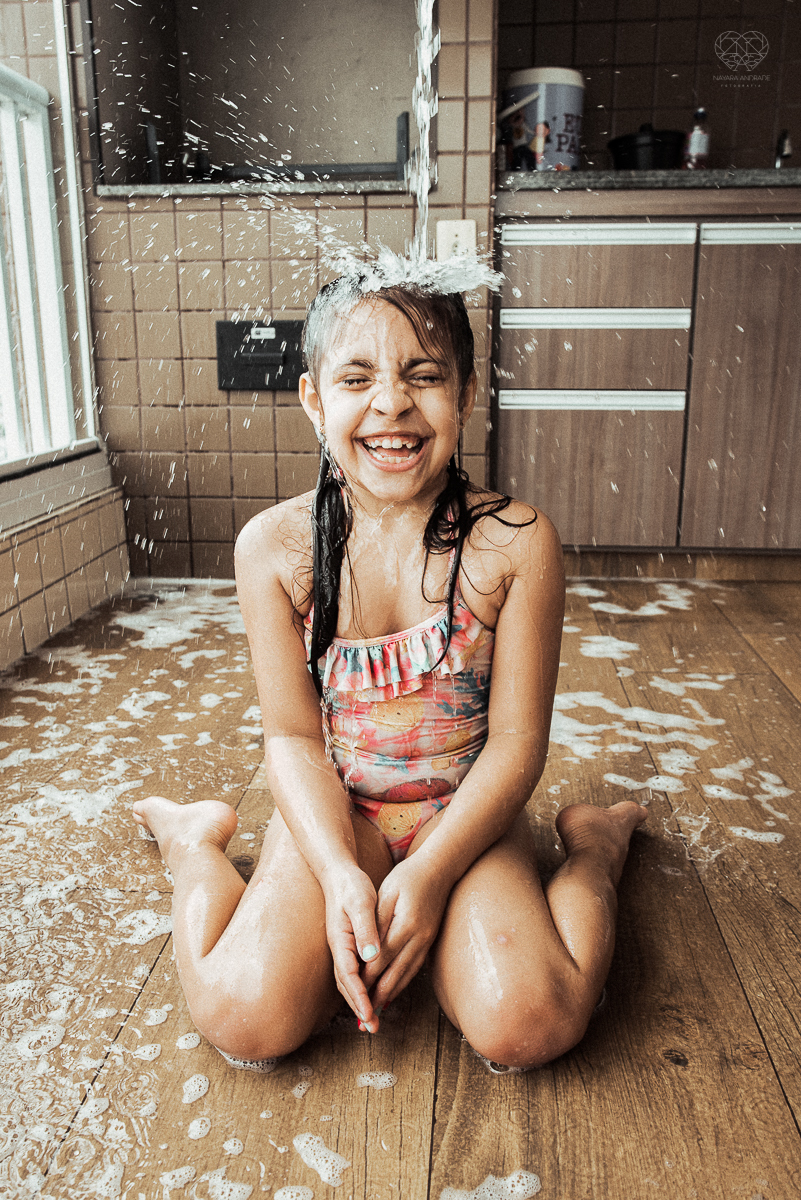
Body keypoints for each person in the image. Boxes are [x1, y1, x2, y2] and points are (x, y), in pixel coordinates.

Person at [133, 271, 646, 1073]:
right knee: (244, 1016)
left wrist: (437, 870)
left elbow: (514, 741)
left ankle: (595, 850)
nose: (391, 404)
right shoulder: (273, 550)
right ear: (313, 400)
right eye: (356, 377)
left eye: (424, 375)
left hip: (464, 817)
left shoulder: (514, 543)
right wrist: (338, 871)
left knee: (528, 1025)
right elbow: (294, 737)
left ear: (466, 394)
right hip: (339, 815)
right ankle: (191, 840)